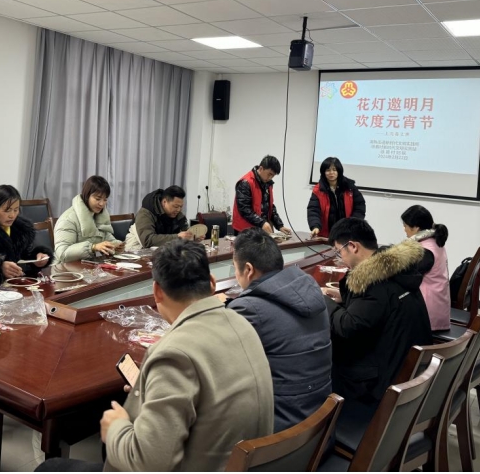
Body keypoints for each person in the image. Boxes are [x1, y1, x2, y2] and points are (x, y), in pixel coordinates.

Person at [37, 239, 274, 472]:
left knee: (50, 468)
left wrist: (116, 426)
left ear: (157, 291)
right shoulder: (243, 324)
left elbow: (148, 463)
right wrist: (153, 386)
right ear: (212, 283)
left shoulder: (175, 354)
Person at [227, 228, 332, 432]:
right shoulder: (308, 287)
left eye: (235, 268)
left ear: (248, 269)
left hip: (280, 434)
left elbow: (221, 368)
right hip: (319, 425)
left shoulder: (248, 308)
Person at [322, 217, 432, 404]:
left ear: (353, 246)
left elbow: (348, 326)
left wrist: (323, 301)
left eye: (339, 251)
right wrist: (346, 299)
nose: (340, 258)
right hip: (407, 369)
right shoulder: (394, 269)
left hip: (381, 384)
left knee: (322, 364)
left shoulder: (372, 282)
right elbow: (382, 305)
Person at [402, 205, 451, 331]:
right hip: (437, 306)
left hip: (429, 314)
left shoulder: (425, 250)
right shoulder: (434, 242)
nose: (404, 229)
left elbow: (408, 278)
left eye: (405, 225)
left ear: (416, 228)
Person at [53, 176, 120, 266]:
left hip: (89, 266)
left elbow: (107, 238)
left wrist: (117, 245)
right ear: (87, 196)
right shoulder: (68, 219)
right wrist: (92, 247)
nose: (102, 204)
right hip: (65, 269)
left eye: (105, 200)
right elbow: (62, 253)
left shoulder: (98, 215)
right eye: (98, 199)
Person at [232, 155, 292, 236]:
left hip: (259, 229)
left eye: (273, 176)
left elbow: (270, 207)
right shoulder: (246, 182)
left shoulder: (268, 184)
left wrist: (279, 225)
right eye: (269, 174)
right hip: (245, 231)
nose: (270, 178)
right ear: (261, 169)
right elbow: (244, 209)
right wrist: (262, 223)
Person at [308, 156, 366, 238]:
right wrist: (315, 226)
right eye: (328, 170)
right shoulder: (318, 190)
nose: (331, 172)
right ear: (323, 172)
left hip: (347, 233)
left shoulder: (350, 187)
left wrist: (353, 224)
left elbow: (360, 206)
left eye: (334, 170)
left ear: (339, 171)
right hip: (326, 235)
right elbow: (313, 210)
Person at [127, 185, 193, 249]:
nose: (178, 210)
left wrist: (192, 236)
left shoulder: (177, 213)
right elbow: (147, 240)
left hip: (163, 248)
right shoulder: (146, 213)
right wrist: (177, 237)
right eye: (176, 206)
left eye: (181, 207)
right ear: (164, 202)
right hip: (137, 248)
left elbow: (186, 231)